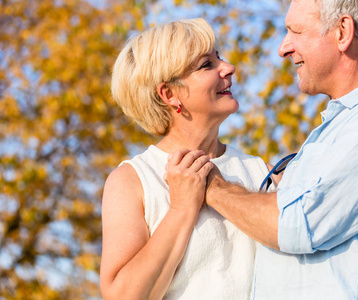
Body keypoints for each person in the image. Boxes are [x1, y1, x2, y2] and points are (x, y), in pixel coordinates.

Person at [171, 0, 358, 299]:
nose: (284, 48)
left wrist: (211, 186)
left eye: (296, 31)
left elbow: (296, 224)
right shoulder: (343, 124)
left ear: (343, 32)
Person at [99, 18, 271, 299]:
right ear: (169, 94)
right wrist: (181, 208)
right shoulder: (133, 181)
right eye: (207, 65)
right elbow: (122, 295)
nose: (228, 68)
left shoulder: (260, 171)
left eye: (220, 58)